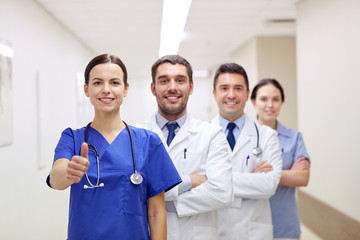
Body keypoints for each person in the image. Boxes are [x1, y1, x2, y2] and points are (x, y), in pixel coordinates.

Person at [46, 54, 182, 240]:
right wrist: (69, 171)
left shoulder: (148, 142)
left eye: (115, 83)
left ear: (125, 89)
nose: (106, 90)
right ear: (86, 89)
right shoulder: (73, 137)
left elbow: (156, 212)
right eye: (97, 83)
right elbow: (56, 179)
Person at [138, 55, 233, 240]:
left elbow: (222, 192)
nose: (172, 87)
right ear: (153, 88)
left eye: (180, 80)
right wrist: (189, 181)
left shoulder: (212, 134)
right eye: (164, 80)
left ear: (190, 87)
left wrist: (158, 199)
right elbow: (131, 191)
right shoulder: (136, 135)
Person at [211, 63, 282, 240]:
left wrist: (213, 179)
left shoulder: (267, 136)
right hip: (213, 229)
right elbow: (193, 183)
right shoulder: (201, 135)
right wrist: (251, 178)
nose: (231, 94)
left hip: (253, 232)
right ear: (214, 94)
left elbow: (269, 185)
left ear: (247, 93)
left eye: (238, 88)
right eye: (224, 88)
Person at [251, 78, 310, 240]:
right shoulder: (244, 137)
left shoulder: (294, 137)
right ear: (253, 101)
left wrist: (262, 176)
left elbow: (303, 177)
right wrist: (287, 174)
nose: (270, 105)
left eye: (276, 99)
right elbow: (236, 177)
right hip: (251, 222)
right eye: (264, 99)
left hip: (285, 224)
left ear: (282, 102)